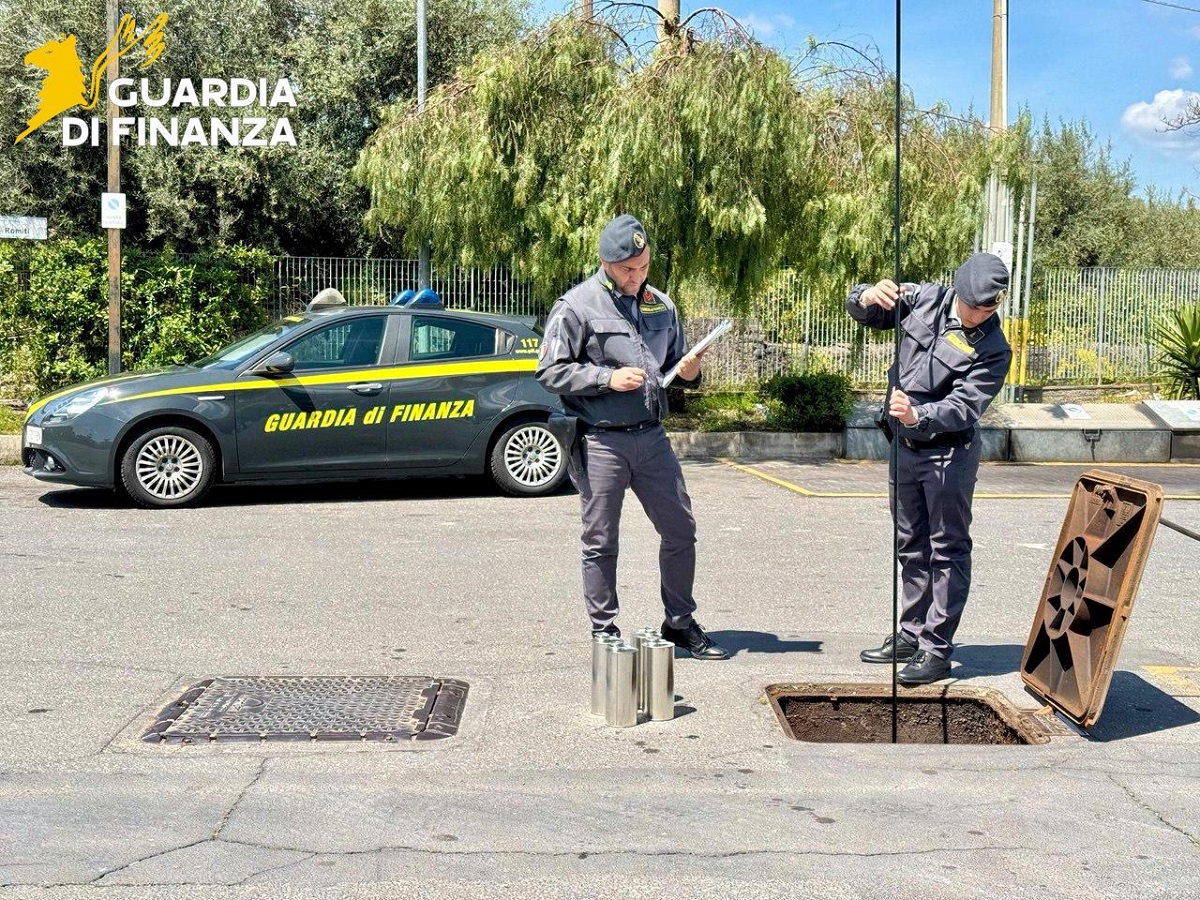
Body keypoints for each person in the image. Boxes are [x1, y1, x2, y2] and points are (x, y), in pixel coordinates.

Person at [536, 214, 728, 660]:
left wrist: (690, 372)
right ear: (606, 262)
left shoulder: (661, 304)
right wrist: (606, 378)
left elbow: (676, 365)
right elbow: (549, 371)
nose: (637, 278)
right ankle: (604, 630)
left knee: (680, 528)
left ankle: (679, 622)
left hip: (652, 436)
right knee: (601, 538)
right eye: (628, 270)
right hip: (601, 440)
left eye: (643, 268)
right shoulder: (576, 306)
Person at [847, 252, 1013, 684]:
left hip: (947, 454)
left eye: (989, 307)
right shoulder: (922, 299)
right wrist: (867, 295)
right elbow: (864, 312)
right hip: (903, 448)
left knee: (947, 549)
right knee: (910, 544)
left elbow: (965, 406)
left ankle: (936, 649)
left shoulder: (994, 349)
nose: (979, 315)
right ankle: (910, 632)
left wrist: (919, 415)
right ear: (957, 290)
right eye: (972, 305)